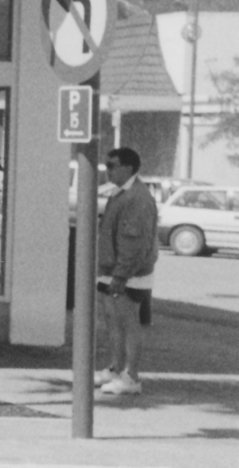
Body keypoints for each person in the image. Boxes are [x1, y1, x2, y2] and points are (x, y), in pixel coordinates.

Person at [95, 146, 159, 396]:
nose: (107, 170)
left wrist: (121, 275)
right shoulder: (121, 194)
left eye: (112, 166)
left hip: (129, 274)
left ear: (128, 168)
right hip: (113, 269)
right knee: (113, 320)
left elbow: (134, 242)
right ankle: (116, 367)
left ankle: (131, 375)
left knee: (128, 322)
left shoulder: (136, 198)